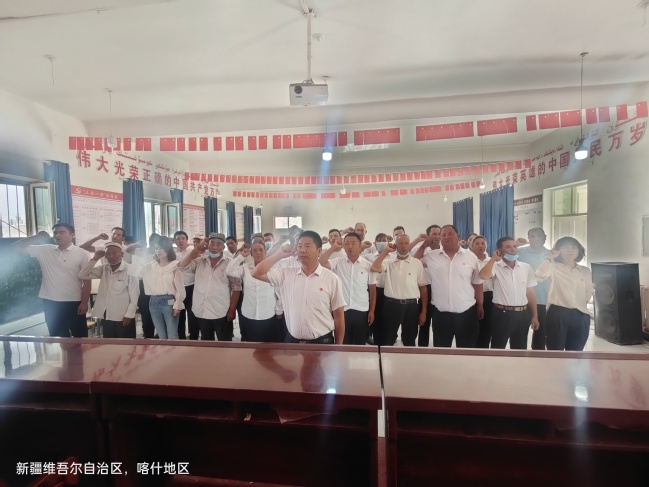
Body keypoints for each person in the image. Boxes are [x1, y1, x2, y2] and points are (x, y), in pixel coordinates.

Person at [252, 230, 346, 344]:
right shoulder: (286, 274)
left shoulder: (331, 279)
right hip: (293, 341)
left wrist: (338, 347)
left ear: (319, 251)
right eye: (299, 246)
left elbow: (339, 317)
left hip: (322, 342)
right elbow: (256, 273)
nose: (302, 250)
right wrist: (279, 254)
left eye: (307, 246)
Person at [13, 223, 91, 337]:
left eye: (62, 232)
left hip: (74, 302)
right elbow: (15, 248)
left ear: (72, 235)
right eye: (55, 233)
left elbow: (87, 281)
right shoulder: (45, 250)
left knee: (80, 337)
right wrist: (36, 237)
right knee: (57, 337)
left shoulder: (82, 253)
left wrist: (84, 302)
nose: (57, 235)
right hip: (51, 303)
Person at [415, 225, 483, 348]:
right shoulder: (432, 256)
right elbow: (413, 263)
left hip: (467, 312)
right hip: (441, 314)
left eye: (450, 234)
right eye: (443, 235)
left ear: (458, 236)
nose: (446, 237)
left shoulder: (470, 256)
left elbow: (477, 283)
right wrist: (423, 246)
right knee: (441, 351)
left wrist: (480, 305)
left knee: (467, 350)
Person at [478, 236, 539, 349]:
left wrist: (535, 316)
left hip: (522, 313)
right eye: (508, 247)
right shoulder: (495, 267)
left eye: (515, 246)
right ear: (500, 250)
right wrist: (493, 258)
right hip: (502, 313)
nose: (513, 249)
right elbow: (483, 276)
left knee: (520, 348)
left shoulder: (526, 267)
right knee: (498, 346)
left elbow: (531, 293)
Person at [179, 233, 241, 341]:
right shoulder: (200, 261)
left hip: (221, 312)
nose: (215, 247)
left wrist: (232, 309)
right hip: (202, 311)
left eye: (218, 244)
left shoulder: (230, 263)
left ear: (223, 247)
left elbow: (236, 288)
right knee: (206, 343)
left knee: (225, 343)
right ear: (208, 245)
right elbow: (181, 266)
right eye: (212, 243)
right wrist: (195, 251)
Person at [535, 237, 593, 351]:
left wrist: (580, 304)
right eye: (565, 247)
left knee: (576, 353)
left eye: (573, 247)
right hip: (558, 314)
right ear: (558, 251)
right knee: (556, 352)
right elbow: (538, 275)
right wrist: (549, 258)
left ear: (579, 250)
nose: (570, 250)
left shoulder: (585, 270)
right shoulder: (552, 267)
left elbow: (588, 290)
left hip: (581, 315)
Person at [370, 234, 427, 346]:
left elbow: (423, 288)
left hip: (411, 307)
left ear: (410, 245)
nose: (404, 246)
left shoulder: (417, 263)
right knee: (387, 340)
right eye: (400, 243)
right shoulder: (389, 262)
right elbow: (374, 267)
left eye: (406, 243)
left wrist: (423, 311)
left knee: (409, 340)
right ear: (395, 245)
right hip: (391, 306)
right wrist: (386, 251)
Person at [320, 232, 376, 345]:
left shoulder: (368, 265)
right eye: (346, 243)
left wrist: (372, 310)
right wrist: (333, 247)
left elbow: (373, 290)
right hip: (343, 310)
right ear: (343, 246)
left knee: (360, 343)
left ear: (360, 246)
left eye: (353, 243)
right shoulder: (338, 262)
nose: (350, 246)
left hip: (361, 309)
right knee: (344, 342)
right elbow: (321, 263)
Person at [78, 242, 140, 338]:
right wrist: (95, 258)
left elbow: (135, 295)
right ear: (105, 256)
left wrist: (129, 314)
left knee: (126, 344)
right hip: (107, 315)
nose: (111, 256)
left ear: (122, 254)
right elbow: (82, 275)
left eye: (114, 253)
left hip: (123, 316)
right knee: (109, 343)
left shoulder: (130, 270)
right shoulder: (104, 269)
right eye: (108, 253)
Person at [226, 241, 283, 342]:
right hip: (248, 313)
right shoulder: (245, 268)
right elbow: (229, 270)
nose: (258, 253)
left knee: (267, 343)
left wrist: (279, 309)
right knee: (250, 342)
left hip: (267, 313)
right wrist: (241, 256)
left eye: (261, 250)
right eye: (255, 250)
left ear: (265, 252)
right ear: (251, 253)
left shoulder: (273, 268)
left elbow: (279, 291)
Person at [134, 238, 185, 339]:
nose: (158, 251)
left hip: (169, 301)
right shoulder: (151, 265)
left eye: (161, 248)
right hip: (153, 302)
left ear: (168, 249)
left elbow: (179, 287)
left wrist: (178, 304)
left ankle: (174, 350)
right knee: (161, 335)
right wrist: (138, 256)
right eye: (156, 248)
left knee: (172, 334)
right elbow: (135, 271)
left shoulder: (174, 265)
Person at [407, 224, 441, 347]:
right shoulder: (421, 249)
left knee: (438, 321)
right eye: (434, 234)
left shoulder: (443, 249)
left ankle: (439, 347)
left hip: (439, 289)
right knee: (423, 320)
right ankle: (422, 347)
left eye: (439, 234)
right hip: (424, 288)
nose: (437, 236)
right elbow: (413, 262)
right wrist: (422, 245)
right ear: (428, 235)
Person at [518, 227, 550, 349]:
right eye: (532, 236)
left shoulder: (552, 255)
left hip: (543, 299)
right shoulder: (519, 252)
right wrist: (515, 243)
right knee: (520, 334)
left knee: (541, 334)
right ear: (528, 238)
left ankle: (538, 357)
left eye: (539, 235)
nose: (536, 238)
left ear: (545, 238)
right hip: (523, 300)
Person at [174, 230, 199, 340]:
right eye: (178, 239)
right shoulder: (172, 253)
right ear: (174, 241)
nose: (180, 241)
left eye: (183, 238)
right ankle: (181, 337)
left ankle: (194, 336)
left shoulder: (192, 251)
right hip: (178, 288)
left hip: (191, 286)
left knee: (192, 313)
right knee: (179, 313)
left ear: (187, 240)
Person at [470, 235, 494, 348]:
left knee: (487, 325)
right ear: (472, 246)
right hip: (471, 295)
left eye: (483, 243)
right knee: (472, 325)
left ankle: (483, 348)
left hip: (489, 295)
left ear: (486, 245)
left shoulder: (492, 261)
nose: (480, 246)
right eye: (477, 243)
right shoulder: (469, 260)